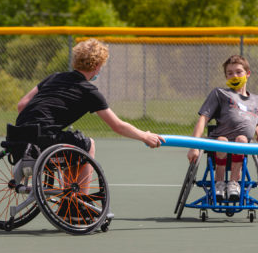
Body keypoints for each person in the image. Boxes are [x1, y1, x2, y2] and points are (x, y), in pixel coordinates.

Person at [16, 38, 165, 204]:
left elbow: (22, 105)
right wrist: (145, 136)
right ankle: (77, 203)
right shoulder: (89, 92)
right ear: (96, 66)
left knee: (72, 143)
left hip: (18, 137)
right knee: (87, 145)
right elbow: (117, 126)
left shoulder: (54, 77)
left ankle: (68, 198)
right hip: (45, 141)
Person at [187, 55, 258, 202]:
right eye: (230, 73)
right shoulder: (220, 94)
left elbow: (256, 121)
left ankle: (234, 183)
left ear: (248, 73)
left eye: (238, 72)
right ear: (226, 76)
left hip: (242, 145)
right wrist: (194, 146)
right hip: (219, 144)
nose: (234, 76)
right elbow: (203, 119)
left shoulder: (257, 100)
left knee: (242, 139)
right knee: (223, 141)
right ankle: (219, 182)